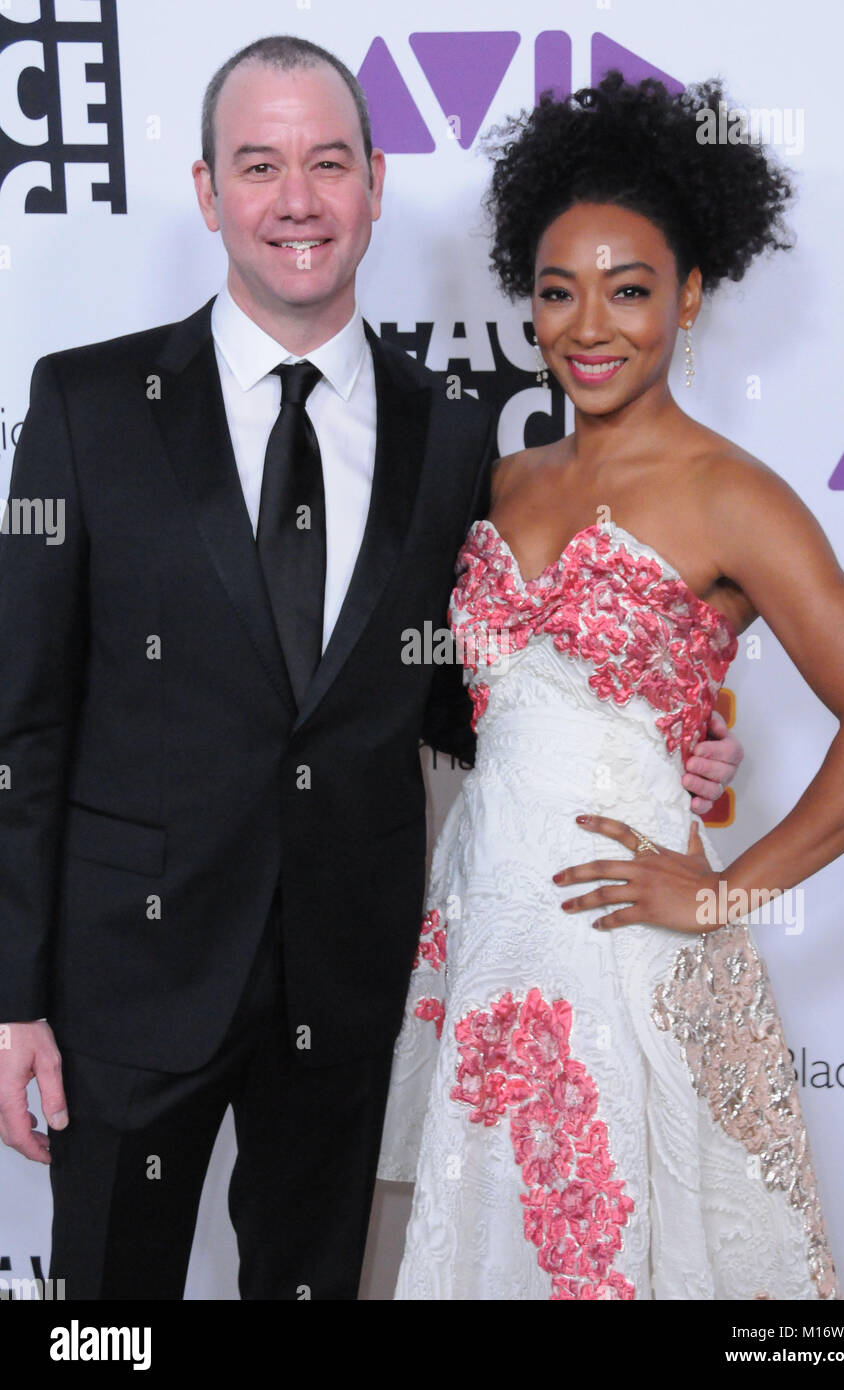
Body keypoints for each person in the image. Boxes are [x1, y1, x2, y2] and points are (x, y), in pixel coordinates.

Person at [0, 42, 740, 1301]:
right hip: (132, 977)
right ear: (205, 189)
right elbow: (25, 716)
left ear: (377, 181)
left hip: (346, 979)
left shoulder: (450, 431)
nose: (297, 198)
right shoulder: (85, 405)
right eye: (260, 165)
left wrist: (650, 728)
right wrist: (13, 998)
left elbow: (464, 689)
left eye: (327, 161)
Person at [379, 72, 844, 1300]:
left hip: (634, 948)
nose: (590, 325)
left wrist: (726, 893)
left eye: (628, 290)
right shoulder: (504, 480)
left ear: (691, 294)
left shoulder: (734, 491)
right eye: (558, 292)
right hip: (486, 934)